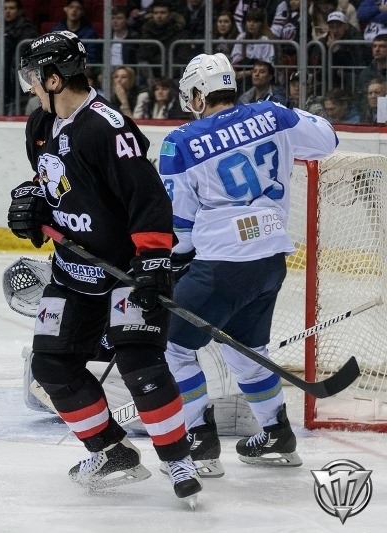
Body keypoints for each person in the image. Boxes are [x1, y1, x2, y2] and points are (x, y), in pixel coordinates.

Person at [8, 30, 202, 505]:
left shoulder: (108, 128)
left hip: (126, 271)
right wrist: (33, 208)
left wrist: (153, 262)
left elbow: (148, 198)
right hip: (72, 270)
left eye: (35, 76)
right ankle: (112, 452)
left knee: (140, 362)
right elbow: (56, 186)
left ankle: (178, 459)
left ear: (55, 79)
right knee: (51, 366)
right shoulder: (40, 124)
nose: (31, 85)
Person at [158, 53, 338, 477]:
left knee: (172, 347)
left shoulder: (181, 141)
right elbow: (327, 139)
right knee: (245, 349)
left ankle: (199, 442)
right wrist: (280, 115)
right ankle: (276, 434)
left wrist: (174, 264)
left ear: (199, 95)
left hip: (221, 264)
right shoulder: (273, 114)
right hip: (270, 261)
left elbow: (179, 222)